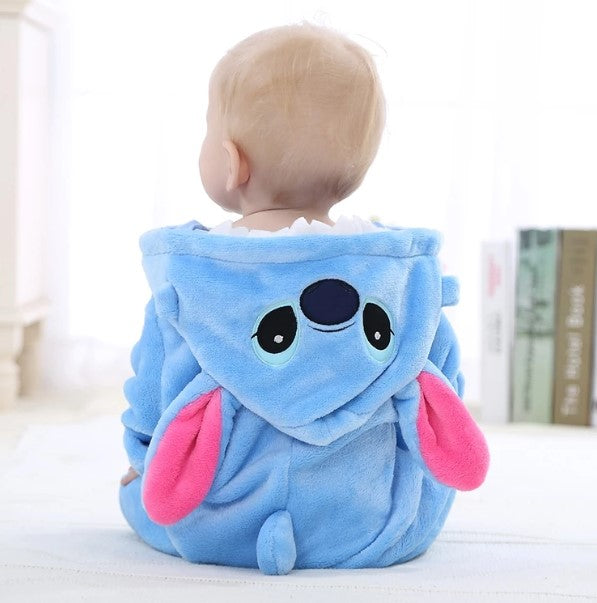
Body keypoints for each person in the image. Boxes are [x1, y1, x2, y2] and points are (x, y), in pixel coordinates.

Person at [119, 23, 489, 575]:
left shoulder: (194, 280)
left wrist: (141, 461)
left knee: (137, 493)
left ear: (231, 162)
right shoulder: (400, 278)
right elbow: (443, 386)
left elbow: (151, 398)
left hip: (212, 523)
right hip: (374, 524)